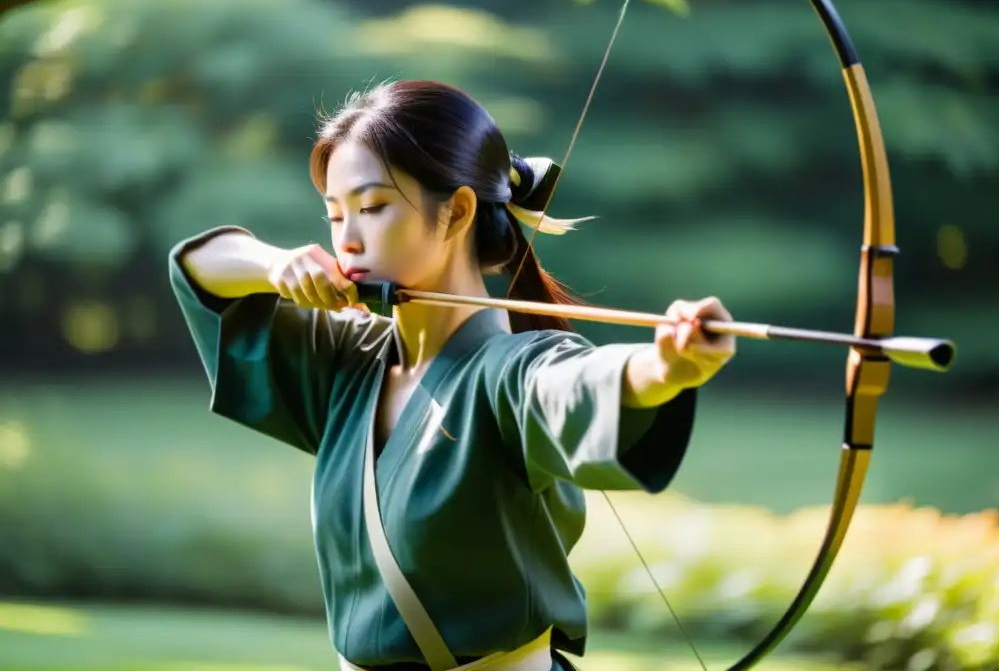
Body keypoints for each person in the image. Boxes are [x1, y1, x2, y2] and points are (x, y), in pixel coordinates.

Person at [169, 79, 736, 671]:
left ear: (458, 211)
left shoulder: (511, 370)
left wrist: (666, 364)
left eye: (371, 207)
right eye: (335, 215)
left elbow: (574, 384)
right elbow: (200, 272)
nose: (347, 240)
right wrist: (274, 264)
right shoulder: (346, 362)